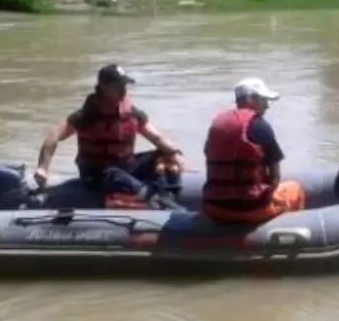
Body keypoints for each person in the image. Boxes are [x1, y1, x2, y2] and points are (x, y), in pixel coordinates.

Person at [34, 64, 186, 210]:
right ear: (104, 88)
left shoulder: (131, 113)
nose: (123, 90)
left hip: (126, 167)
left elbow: (157, 138)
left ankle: (169, 197)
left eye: (124, 85)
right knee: (113, 175)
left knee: (163, 156)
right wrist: (43, 167)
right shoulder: (86, 115)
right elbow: (54, 136)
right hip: (96, 174)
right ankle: (152, 199)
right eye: (118, 86)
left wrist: (173, 152)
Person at [201, 77, 306, 224]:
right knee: (295, 189)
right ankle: (290, 237)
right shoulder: (261, 126)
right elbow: (275, 177)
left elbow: (209, 156)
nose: (267, 106)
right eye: (263, 100)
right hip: (252, 209)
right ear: (251, 99)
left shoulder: (217, 124)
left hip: (214, 208)